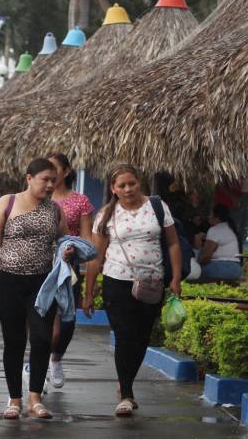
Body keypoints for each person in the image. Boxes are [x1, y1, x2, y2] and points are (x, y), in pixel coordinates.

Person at [0, 158, 72, 420]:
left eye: (53, 181)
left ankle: (35, 398)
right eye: (45, 179)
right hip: (6, 283)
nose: (50, 185)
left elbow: (63, 241)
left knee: (43, 338)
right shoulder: (7, 203)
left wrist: (67, 250)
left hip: (41, 285)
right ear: (28, 178)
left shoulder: (55, 210)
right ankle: (14, 399)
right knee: (14, 341)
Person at [83, 164, 182, 417]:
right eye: (122, 185)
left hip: (152, 281)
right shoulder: (106, 215)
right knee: (125, 336)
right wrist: (89, 291)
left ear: (139, 182)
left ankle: (125, 381)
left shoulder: (157, 207)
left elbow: (172, 243)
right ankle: (126, 394)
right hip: (117, 281)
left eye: (132, 183)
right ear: (114, 189)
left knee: (141, 338)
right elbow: (96, 257)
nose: (128, 189)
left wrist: (176, 278)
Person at [46, 152, 94, 389]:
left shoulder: (81, 201)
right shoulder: (36, 198)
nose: (51, 175)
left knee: (67, 321)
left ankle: (55, 359)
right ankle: (35, 366)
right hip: (40, 267)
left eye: (55, 169)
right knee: (43, 319)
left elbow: (87, 239)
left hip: (69, 270)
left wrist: (74, 248)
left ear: (66, 171)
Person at [198, 204, 242, 282]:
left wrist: (197, 264)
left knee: (193, 271)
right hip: (236, 269)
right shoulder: (230, 228)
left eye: (211, 214)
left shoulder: (214, 230)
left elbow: (206, 257)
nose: (208, 217)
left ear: (217, 218)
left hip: (220, 268)